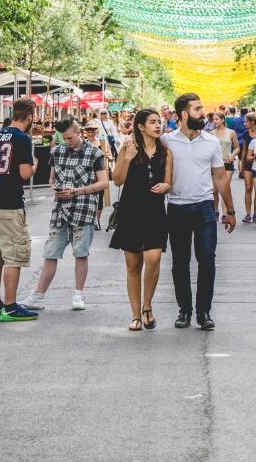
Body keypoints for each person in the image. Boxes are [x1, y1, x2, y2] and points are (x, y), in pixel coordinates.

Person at [162, 93, 236, 330]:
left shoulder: (211, 142)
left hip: (205, 206)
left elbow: (221, 177)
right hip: (176, 206)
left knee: (207, 258)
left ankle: (204, 312)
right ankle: (184, 310)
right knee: (180, 262)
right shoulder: (167, 141)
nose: (202, 113)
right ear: (184, 114)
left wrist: (230, 210)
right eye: (197, 109)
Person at [22, 117, 109, 313]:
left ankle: (78, 294)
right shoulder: (57, 151)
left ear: (79, 132)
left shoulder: (94, 153)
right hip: (61, 209)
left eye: (70, 137)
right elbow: (52, 178)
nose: (67, 141)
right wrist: (54, 188)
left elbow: (103, 182)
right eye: (64, 138)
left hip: (84, 208)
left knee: (81, 253)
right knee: (50, 253)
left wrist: (77, 191)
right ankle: (37, 296)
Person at [109, 108, 172, 331]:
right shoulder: (128, 147)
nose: (158, 126)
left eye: (160, 122)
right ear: (140, 126)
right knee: (133, 265)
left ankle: (147, 306)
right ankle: (136, 314)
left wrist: (166, 186)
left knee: (153, 259)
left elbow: (168, 181)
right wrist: (126, 159)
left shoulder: (165, 151)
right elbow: (117, 180)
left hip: (155, 211)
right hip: (131, 210)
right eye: (153, 122)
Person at [0, 96, 38, 322]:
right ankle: (11, 306)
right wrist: (35, 164)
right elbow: (25, 173)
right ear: (30, 117)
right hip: (10, 203)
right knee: (13, 256)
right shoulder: (22, 138)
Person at [211, 111, 240, 221]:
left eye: (217, 119)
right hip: (215, 164)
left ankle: (225, 213)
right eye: (213, 119)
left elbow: (237, 147)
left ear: (223, 120)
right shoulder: (211, 133)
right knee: (214, 191)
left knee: (224, 188)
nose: (215, 121)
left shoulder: (231, 132)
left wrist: (233, 155)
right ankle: (215, 210)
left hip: (227, 163)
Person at [239, 112, 256, 223]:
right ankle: (248, 214)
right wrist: (242, 164)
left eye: (246, 121)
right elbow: (244, 150)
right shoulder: (245, 133)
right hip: (248, 163)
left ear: (251, 122)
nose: (244, 123)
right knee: (248, 188)